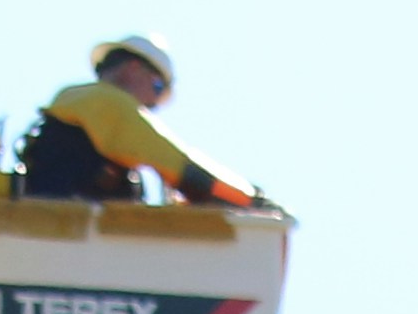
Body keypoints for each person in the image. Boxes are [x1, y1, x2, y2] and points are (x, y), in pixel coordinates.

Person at [15, 33, 264, 211]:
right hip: (72, 226)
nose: (153, 105)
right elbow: (176, 163)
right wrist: (250, 199)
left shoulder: (77, 101)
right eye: (157, 88)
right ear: (133, 69)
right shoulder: (110, 102)